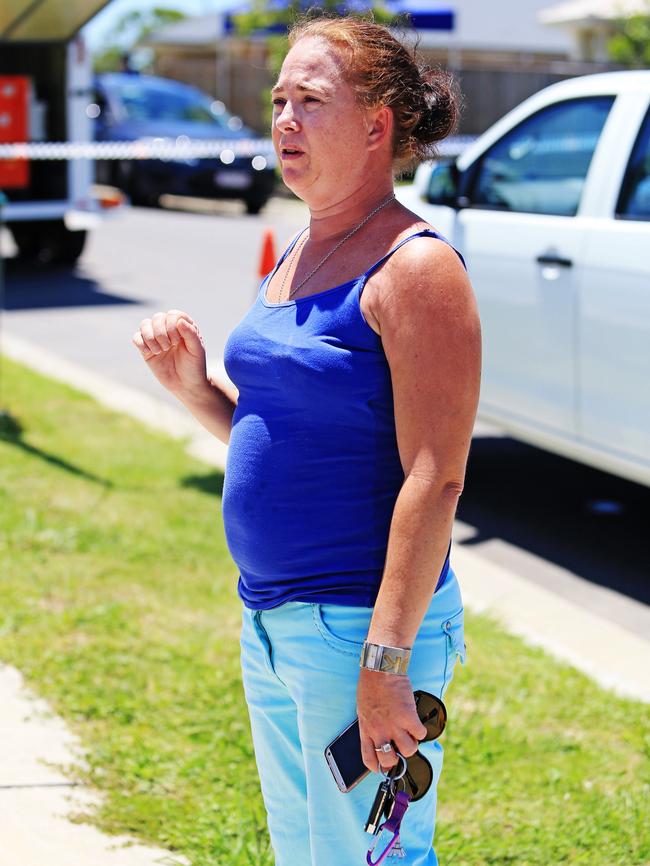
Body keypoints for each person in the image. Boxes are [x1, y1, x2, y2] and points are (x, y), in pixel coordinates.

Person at [132, 12, 481, 866]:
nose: (284, 119)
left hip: (359, 631)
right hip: (275, 623)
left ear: (376, 125)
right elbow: (284, 430)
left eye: (310, 100)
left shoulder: (415, 267)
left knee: (373, 860)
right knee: (308, 856)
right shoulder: (306, 245)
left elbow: (435, 479)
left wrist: (385, 664)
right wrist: (195, 388)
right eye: (280, 99)